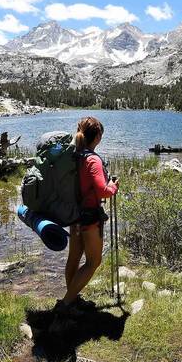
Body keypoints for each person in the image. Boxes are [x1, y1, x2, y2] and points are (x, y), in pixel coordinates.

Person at [55, 116, 119, 314]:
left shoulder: (75, 156)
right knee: (93, 262)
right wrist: (114, 186)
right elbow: (102, 191)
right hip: (89, 217)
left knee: (74, 258)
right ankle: (65, 304)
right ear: (98, 136)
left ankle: (72, 299)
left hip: (74, 216)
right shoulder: (92, 159)